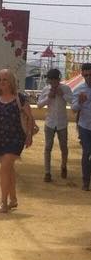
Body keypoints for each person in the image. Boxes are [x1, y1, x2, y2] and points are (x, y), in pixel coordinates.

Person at [0, 67, 35, 213]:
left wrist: (29, 135)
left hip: (16, 139)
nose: (2, 82)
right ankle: (13, 199)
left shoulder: (20, 98)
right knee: (9, 169)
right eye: (0, 80)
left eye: (5, 79)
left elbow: (30, 118)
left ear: (11, 81)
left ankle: (3, 202)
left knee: (4, 167)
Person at [36, 67, 72, 182]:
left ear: (58, 79)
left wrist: (62, 95)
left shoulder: (65, 88)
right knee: (47, 147)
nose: (53, 83)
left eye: (54, 80)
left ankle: (63, 166)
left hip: (62, 123)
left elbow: (72, 101)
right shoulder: (46, 89)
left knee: (64, 147)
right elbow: (39, 105)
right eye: (50, 81)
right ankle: (47, 172)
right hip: (50, 122)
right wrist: (48, 98)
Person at [71, 62, 91, 191]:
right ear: (82, 74)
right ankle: (86, 181)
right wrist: (80, 101)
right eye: (86, 75)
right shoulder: (79, 90)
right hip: (84, 126)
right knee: (87, 152)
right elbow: (73, 109)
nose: (89, 77)